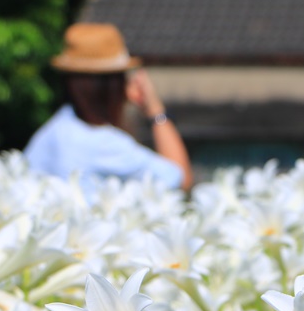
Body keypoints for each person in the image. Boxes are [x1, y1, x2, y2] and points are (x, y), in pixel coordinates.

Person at [24, 23, 193, 193]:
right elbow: (180, 180)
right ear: (115, 86)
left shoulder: (52, 130)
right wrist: (156, 112)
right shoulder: (105, 144)